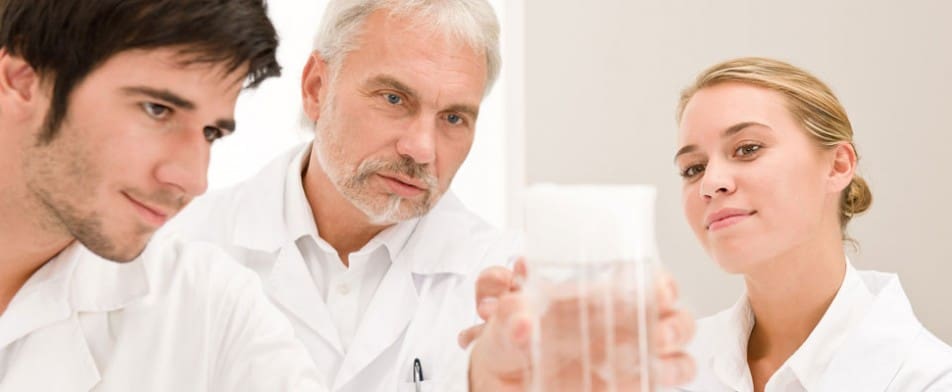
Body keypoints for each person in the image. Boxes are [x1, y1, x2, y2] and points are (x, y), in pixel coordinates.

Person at [167, 0, 696, 390]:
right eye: (394, 97)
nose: (422, 148)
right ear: (315, 87)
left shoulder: (510, 288)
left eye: (453, 118)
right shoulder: (180, 250)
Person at [0, 1, 323, 390]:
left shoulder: (212, 311)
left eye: (210, 133)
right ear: (21, 80)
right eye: (157, 109)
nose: (193, 179)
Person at [672, 57, 952, 391]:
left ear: (838, 165)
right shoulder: (666, 370)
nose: (710, 183)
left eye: (747, 149)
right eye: (693, 168)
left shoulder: (929, 379)